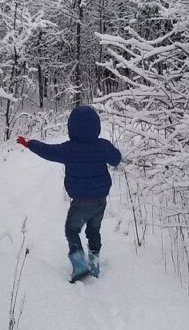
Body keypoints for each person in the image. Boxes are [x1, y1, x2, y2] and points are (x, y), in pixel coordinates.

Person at [16, 105, 122, 282]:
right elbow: (116, 159)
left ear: (71, 128)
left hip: (80, 201)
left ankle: (80, 265)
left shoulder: (69, 149)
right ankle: (94, 262)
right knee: (93, 230)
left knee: (71, 230)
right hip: (100, 200)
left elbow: (47, 151)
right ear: (96, 126)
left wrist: (30, 143)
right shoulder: (102, 146)